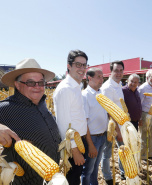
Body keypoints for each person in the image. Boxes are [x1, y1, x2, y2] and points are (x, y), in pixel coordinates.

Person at [0, 58, 61, 184]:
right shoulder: (7, 107)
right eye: (30, 83)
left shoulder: (42, 104)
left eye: (41, 82)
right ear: (17, 85)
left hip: (50, 178)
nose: (37, 87)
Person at [53, 50, 90, 185]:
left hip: (79, 141)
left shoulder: (76, 87)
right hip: (73, 144)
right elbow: (63, 124)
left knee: (77, 176)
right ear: (69, 66)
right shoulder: (65, 89)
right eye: (78, 65)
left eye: (84, 65)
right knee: (72, 179)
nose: (82, 69)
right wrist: (74, 151)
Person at [81, 68, 108, 185]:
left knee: (95, 167)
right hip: (92, 138)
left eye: (102, 77)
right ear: (89, 78)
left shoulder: (101, 93)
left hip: (102, 136)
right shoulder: (85, 96)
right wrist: (90, 145)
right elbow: (84, 122)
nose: (101, 80)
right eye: (99, 77)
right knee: (87, 170)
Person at [101, 60, 125, 184]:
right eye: (116, 70)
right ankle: (107, 176)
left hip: (121, 124)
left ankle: (123, 171)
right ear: (110, 71)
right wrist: (117, 130)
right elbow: (109, 111)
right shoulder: (107, 87)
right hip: (110, 126)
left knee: (122, 149)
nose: (119, 73)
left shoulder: (118, 84)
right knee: (107, 152)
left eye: (121, 70)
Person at [138, 69, 152, 159]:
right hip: (145, 114)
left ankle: (151, 153)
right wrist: (140, 118)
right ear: (147, 78)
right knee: (144, 135)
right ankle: (143, 155)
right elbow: (139, 104)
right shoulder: (143, 88)